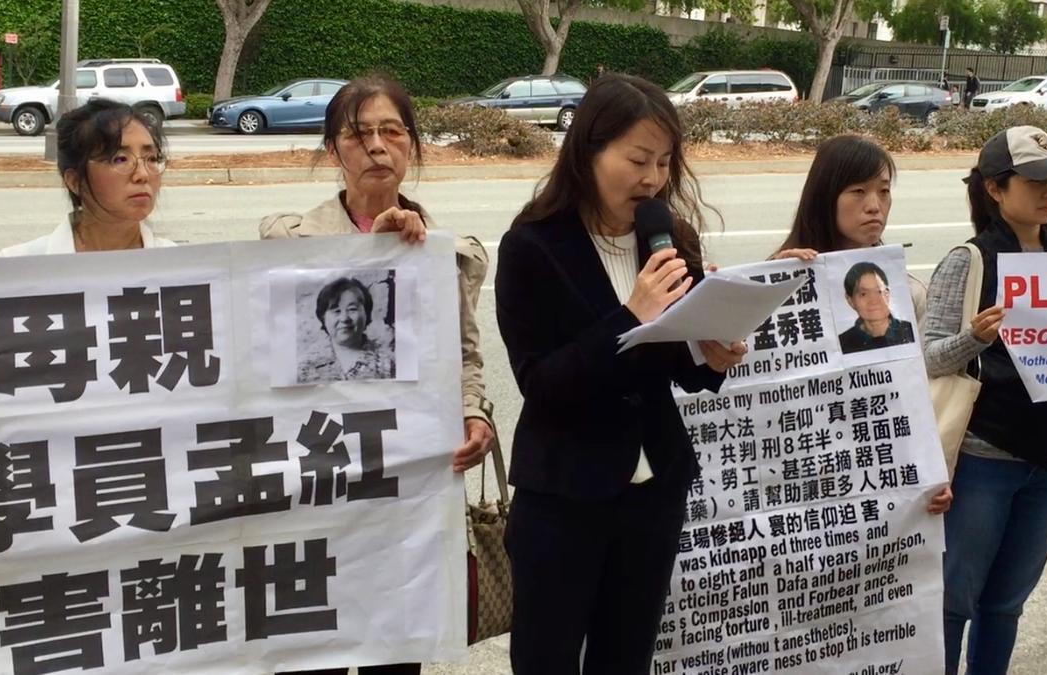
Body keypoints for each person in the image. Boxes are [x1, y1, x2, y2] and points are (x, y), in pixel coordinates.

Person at [495, 73, 748, 674]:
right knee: (546, 660)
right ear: (588, 151)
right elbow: (544, 386)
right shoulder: (532, 246)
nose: (653, 179)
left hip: (652, 496)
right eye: (637, 159)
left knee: (626, 660)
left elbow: (669, 368)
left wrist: (708, 355)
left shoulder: (666, 239)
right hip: (563, 500)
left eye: (664, 162)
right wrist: (630, 313)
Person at [260, 75, 495, 675]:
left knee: (396, 653)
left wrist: (474, 413)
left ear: (412, 146)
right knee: (316, 650)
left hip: (405, 490)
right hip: (319, 487)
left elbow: (465, 355)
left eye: (392, 131)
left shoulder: (448, 253)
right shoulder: (288, 243)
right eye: (358, 134)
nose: (377, 146)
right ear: (333, 150)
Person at [922, 125, 1047, 675]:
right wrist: (975, 338)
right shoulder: (969, 261)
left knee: (1006, 604)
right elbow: (924, 358)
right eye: (1035, 179)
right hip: (983, 457)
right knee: (954, 601)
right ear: (994, 188)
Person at [771, 134, 951, 514]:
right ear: (826, 196)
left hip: (881, 477)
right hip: (806, 474)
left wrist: (933, 472)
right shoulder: (780, 276)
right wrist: (773, 287)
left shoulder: (908, 293)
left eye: (884, 192)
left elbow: (918, 396)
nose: (874, 206)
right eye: (858, 191)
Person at [0, 99, 174, 256]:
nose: (142, 175)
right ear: (75, 181)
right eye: (120, 159)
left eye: (152, 159)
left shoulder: (180, 267)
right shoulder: (20, 268)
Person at [309, 276, 393, 381]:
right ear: (323, 317)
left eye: (352, 309)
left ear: (366, 313)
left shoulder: (389, 363)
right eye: (336, 311)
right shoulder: (307, 365)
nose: (344, 318)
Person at [838, 261, 916, 353]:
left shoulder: (911, 330)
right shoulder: (842, 343)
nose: (873, 300)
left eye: (879, 291)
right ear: (850, 300)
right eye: (863, 294)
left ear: (887, 294)